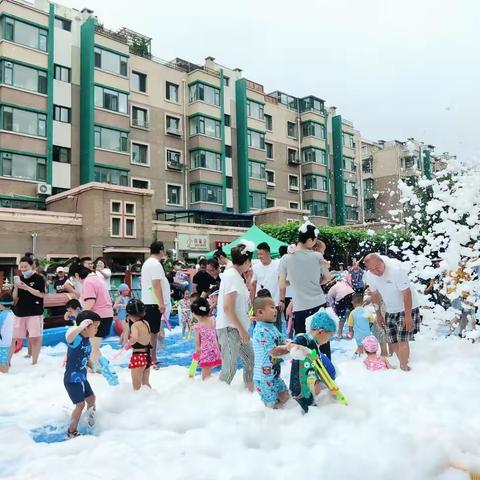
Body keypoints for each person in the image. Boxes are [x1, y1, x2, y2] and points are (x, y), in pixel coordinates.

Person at [278, 219, 331, 357]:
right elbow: (326, 278)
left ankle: (304, 375)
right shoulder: (317, 256)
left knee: (302, 345)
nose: (314, 242)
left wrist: (294, 284)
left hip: (300, 306)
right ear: (309, 240)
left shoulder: (285, 259)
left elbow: (282, 284)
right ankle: (326, 373)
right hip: (318, 303)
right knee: (323, 341)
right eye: (314, 240)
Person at [364, 253, 421, 371]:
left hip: (407, 307)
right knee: (393, 341)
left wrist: (408, 315)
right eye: (372, 269)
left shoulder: (396, 271)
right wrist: (378, 315)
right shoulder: (370, 275)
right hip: (390, 309)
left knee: (402, 340)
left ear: (382, 262)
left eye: (377, 267)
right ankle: (404, 365)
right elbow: (374, 294)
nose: (376, 271)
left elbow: (407, 293)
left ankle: (404, 367)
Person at [277, 310, 337, 413]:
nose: (328, 341)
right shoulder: (304, 339)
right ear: (321, 331)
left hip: (308, 384)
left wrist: (328, 385)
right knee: (307, 410)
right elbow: (291, 345)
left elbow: (317, 366)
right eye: (329, 336)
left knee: (311, 408)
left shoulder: (314, 346)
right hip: (300, 385)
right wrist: (293, 347)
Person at [216, 242, 255, 390]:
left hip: (237, 328)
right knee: (229, 368)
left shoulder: (234, 274)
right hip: (230, 328)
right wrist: (242, 330)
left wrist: (248, 281)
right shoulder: (232, 276)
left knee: (250, 359)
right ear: (246, 261)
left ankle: (249, 391)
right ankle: (218, 402)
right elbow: (228, 308)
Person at [63, 310, 100, 438]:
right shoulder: (76, 339)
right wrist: (80, 327)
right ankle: (71, 431)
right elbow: (68, 337)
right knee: (80, 404)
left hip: (82, 378)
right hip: (72, 380)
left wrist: (94, 367)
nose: (97, 330)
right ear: (85, 327)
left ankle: (91, 423)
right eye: (95, 327)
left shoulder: (87, 340)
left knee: (91, 399)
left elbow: (85, 358)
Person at [252, 296, 289, 408]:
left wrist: (293, 344)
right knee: (272, 406)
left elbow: (282, 341)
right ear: (260, 312)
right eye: (272, 307)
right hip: (264, 378)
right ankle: (271, 423)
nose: (276, 310)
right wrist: (291, 349)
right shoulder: (261, 330)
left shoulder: (271, 327)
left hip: (274, 374)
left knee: (285, 397)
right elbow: (273, 351)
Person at [141, 241, 171, 368]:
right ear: (161, 250)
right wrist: (161, 303)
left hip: (149, 301)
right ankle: (151, 358)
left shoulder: (147, 263)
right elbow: (156, 285)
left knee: (151, 332)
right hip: (153, 303)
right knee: (153, 333)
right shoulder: (155, 264)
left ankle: (150, 357)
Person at [12, 255, 45, 365]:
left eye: (25, 266)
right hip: (20, 313)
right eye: (21, 267)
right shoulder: (19, 280)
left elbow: (41, 294)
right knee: (14, 337)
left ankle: (34, 362)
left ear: (32, 266)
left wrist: (26, 288)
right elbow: (14, 299)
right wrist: (16, 287)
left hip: (35, 313)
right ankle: (8, 361)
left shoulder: (39, 278)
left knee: (35, 337)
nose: (23, 269)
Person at [78, 265, 114, 365]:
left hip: (98, 317)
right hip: (107, 315)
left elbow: (90, 302)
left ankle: (95, 368)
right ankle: (102, 364)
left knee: (94, 346)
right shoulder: (98, 279)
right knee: (94, 345)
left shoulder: (88, 282)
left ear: (77, 275)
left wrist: (81, 317)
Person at [250, 242, 283, 332]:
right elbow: (253, 285)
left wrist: (282, 300)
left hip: (274, 304)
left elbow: (282, 283)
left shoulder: (277, 265)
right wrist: (252, 303)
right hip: (260, 305)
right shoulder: (255, 267)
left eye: (261, 254)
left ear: (268, 253)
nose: (259, 256)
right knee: (260, 331)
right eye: (258, 254)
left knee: (276, 330)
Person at [191, 297, 222, 380]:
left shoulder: (198, 327)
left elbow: (197, 348)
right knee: (211, 376)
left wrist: (192, 369)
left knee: (205, 379)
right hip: (215, 351)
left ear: (195, 314)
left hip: (206, 354)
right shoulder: (213, 320)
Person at [125, 298, 152, 390]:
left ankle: (138, 402)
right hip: (147, 356)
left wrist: (129, 343)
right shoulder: (146, 323)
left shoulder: (135, 325)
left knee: (136, 386)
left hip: (138, 357)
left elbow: (135, 338)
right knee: (146, 384)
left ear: (129, 315)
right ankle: (154, 399)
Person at [0, 293, 15, 374]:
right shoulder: (12, 314)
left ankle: (4, 374)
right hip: (7, 342)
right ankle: (6, 374)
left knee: (1, 361)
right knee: (5, 359)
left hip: (2, 343)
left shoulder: (2, 315)